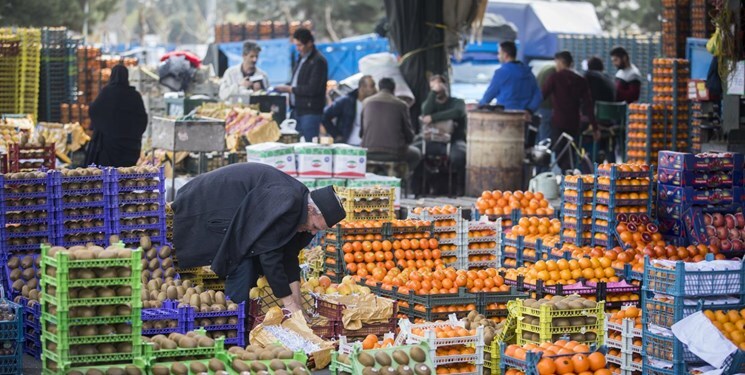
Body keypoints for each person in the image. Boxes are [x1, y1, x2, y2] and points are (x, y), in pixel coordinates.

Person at [172, 163, 346, 311]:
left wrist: (297, 306)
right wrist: (289, 304)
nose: (313, 233)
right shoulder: (288, 201)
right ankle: (234, 324)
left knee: (249, 261)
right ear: (310, 210)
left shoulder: (300, 205)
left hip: (240, 212)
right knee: (243, 263)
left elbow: (289, 257)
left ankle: (238, 318)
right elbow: (269, 254)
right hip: (207, 204)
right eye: (315, 226)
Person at [541, 51, 598, 173]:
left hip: (558, 122)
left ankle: (566, 177)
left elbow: (542, 96)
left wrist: (529, 109)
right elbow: (589, 105)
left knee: (560, 153)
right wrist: (595, 127)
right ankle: (570, 178)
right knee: (572, 153)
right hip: (574, 123)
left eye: (556, 63)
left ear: (560, 62)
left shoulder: (555, 77)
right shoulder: (580, 80)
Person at [84, 64, 147, 167]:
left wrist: (104, 126)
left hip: (109, 146)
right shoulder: (134, 95)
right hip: (130, 147)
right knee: (126, 176)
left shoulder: (106, 93)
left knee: (109, 175)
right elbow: (142, 118)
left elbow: (94, 110)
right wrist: (133, 134)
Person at [276, 28, 328, 142]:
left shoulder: (318, 61)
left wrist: (290, 89)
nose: (297, 48)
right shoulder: (300, 58)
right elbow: (297, 81)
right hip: (296, 110)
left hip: (310, 111)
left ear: (309, 43)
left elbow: (313, 89)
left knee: (309, 145)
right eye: (296, 45)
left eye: (300, 45)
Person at [360, 78, 421, 173]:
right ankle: (402, 179)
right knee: (416, 154)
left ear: (379, 88)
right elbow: (409, 135)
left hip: (368, 152)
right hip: (394, 153)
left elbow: (361, 133)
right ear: (394, 89)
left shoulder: (366, 102)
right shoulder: (401, 105)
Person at [419, 74, 467, 195]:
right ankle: (420, 190)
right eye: (433, 87)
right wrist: (433, 93)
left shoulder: (457, 102)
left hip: (454, 140)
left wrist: (434, 118)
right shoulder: (430, 103)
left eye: (438, 85)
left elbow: (458, 112)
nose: (437, 89)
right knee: (416, 152)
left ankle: (460, 189)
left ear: (446, 86)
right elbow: (425, 112)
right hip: (433, 140)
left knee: (459, 156)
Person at [479, 41, 542, 116]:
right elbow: (538, 96)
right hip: (524, 118)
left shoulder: (501, 73)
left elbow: (489, 95)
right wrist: (529, 110)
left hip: (505, 117)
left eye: (499, 53)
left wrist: (479, 106)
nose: (498, 56)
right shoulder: (528, 73)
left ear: (505, 55)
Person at [321, 75, 377, 145]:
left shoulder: (373, 104)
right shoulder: (346, 101)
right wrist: (336, 135)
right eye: (372, 86)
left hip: (366, 146)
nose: (375, 89)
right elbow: (324, 115)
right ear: (362, 87)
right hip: (347, 146)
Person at [535, 64, 556, 145]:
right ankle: (544, 157)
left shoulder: (545, 68)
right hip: (547, 108)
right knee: (545, 139)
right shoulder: (553, 71)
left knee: (539, 137)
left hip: (538, 107)